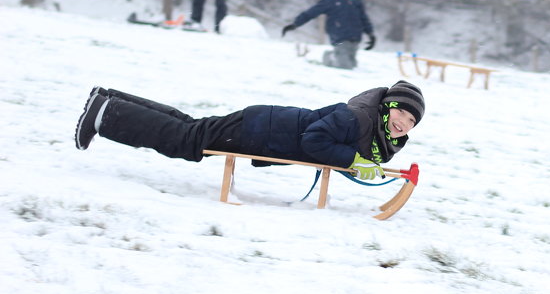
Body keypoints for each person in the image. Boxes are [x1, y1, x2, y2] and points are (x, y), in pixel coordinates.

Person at [73, 81, 425, 178]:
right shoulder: (358, 118)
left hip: (264, 125)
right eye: (402, 113)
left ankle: (109, 99)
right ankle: (105, 114)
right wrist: (352, 159)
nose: (403, 123)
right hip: (261, 130)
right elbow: (313, 140)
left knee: (190, 127)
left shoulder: (372, 128)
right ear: (387, 107)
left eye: (412, 122)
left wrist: (356, 161)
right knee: (185, 141)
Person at [282, 0, 376, 69]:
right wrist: (295, 24)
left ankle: (335, 56)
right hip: (339, 35)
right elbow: (312, 12)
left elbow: (364, 18)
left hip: (355, 36)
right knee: (345, 66)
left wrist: (370, 34)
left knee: (353, 64)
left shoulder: (356, 0)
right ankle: (328, 57)